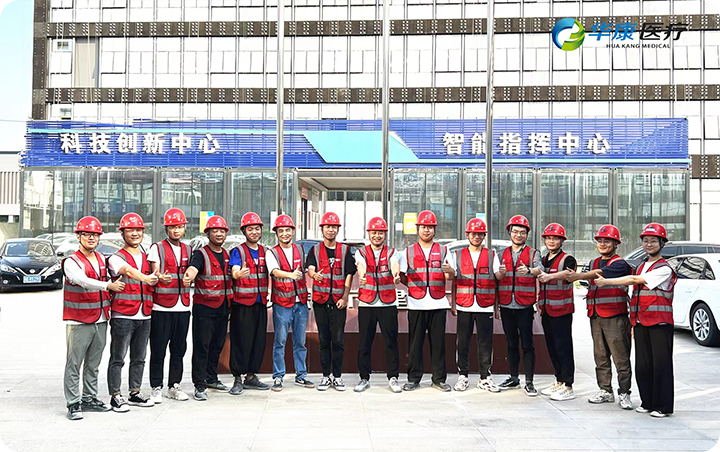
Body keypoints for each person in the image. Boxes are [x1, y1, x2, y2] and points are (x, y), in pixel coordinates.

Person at [595, 223, 677, 418]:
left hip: (660, 323)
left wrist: (606, 281)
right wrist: (633, 323)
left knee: (661, 365)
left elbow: (633, 281)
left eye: (653, 241)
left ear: (662, 243)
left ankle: (663, 406)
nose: (649, 244)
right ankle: (648, 402)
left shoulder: (664, 268)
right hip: (641, 322)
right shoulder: (640, 266)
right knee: (643, 365)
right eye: (645, 241)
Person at [63, 216, 124, 420]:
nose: (91, 238)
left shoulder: (102, 259)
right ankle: (73, 403)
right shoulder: (71, 262)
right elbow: (82, 281)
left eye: (95, 235)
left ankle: (89, 398)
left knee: (93, 363)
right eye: (87, 234)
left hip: (100, 318)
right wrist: (108, 285)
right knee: (74, 363)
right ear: (78, 236)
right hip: (78, 320)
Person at [566, 224, 634, 410]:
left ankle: (624, 392)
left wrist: (578, 275)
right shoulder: (593, 262)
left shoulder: (620, 263)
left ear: (616, 243)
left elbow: (599, 275)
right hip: (596, 315)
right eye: (600, 241)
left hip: (615, 316)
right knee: (600, 356)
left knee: (621, 357)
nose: (603, 244)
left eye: (607, 241)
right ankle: (605, 390)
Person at [106, 213, 159, 412]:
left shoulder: (146, 257)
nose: (135, 233)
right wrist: (146, 278)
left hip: (144, 314)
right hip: (123, 315)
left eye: (138, 230)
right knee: (118, 358)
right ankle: (115, 396)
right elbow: (127, 270)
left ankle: (135, 392)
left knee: (139, 358)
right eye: (130, 230)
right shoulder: (116, 257)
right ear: (123, 233)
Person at [399, 210, 455, 392]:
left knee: (438, 344)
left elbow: (451, 276)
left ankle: (439, 379)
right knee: (415, 344)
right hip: (416, 304)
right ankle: (413, 378)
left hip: (438, 303)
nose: (427, 230)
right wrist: (414, 287)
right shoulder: (408, 251)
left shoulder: (444, 250)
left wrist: (449, 271)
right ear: (418, 229)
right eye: (423, 227)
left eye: (430, 227)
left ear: (434, 230)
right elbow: (402, 275)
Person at [183, 215, 234, 401]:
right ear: (208, 233)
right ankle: (199, 383)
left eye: (222, 231)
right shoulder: (201, 254)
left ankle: (212, 378)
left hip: (223, 308)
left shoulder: (227, 255)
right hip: (204, 308)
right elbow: (193, 269)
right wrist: (189, 276)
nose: (219, 234)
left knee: (217, 346)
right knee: (201, 347)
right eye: (215, 231)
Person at [449, 218, 502, 393]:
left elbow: (497, 279)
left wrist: (496, 307)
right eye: (473, 234)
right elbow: (454, 280)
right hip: (464, 305)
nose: (477, 237)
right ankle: (463, 376)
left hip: (485, 305)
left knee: (485, 343)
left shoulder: (491, 255)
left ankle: (484, 377)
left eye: (480, 234)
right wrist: (453, 303)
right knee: (463, 342)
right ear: (468, 235)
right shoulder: (458, 255)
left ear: (484, 236)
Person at [306, 212, 357, 391]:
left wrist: (345, 297)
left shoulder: (345, 250)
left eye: (334, 227)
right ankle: (325, 376)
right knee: (324, 340)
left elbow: (349, 274)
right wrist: (314, 274)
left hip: (338, 302)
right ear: (322, 229)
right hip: (320, 302)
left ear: (337, 229)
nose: (331, 230)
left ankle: (337, 377)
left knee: (338, 340)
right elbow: (310, 267)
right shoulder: (314, 250)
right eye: (328, 227)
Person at [147, 208, 192, 403]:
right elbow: (154, 271)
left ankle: (174, 385)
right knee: (158, 350)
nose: (176, 230)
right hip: (162, 307)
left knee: (179, 350)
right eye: (173, 227)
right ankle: (156, 386)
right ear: (166, 228)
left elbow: (191, 272)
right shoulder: (157, 248)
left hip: (183, 307)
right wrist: (159, 277)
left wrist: (190, 279)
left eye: (180, 226)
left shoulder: (189, 249)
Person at [266, 214, 314, 391]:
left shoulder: (300, 250)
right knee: (280, 341)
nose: (285, 233)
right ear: (277, 233)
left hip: (300, 303)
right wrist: (291, 275)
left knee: (300, 342)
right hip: (282, 304)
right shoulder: (272, 253)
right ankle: (278, 376)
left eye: (287, 230)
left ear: (293, 231)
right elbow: (274, 271)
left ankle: (301, 375)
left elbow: (307, 268)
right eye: (281, 231)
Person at [496, 215, 543, 396]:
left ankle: (529, 381)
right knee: (511, 343)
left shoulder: (533, 253)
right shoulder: (501, 254)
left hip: (524, 306)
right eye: (515, 231)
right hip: (506, 305)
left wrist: (529, 270)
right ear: (510, 233)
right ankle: (513, 377)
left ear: (527, 235)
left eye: (522, 232)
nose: (518, 235)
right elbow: (496, 277)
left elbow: (540, 269)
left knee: (527, 343)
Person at [353, 217, 402, 393]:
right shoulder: (361, 252)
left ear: (385, 234)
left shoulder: (392, 252)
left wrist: (396, 275)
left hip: (388, 303)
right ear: (369, 233)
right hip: (367, 303)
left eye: (380, 232)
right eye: (374, 232)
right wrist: (362, 275)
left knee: (391, 342)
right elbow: (361, 265)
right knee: (364, 343)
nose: (377, 235)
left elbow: (394, 264)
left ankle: (393, 377)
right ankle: (364, 378)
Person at [228, 212, 271, 395]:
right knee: (241, 341)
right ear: (244, 231)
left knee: (258, 341)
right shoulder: (238, 251)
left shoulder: (266, 251)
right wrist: (238, 274)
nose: (254, 232)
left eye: (257, 229)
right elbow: (234, 270)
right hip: (242, 304)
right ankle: (237, 378)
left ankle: (251, 376)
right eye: (250, 229)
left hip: (260, 303)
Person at [536, 223, 577, 401]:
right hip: (547, 310)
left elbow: (569, 274)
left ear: (562, 241)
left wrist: (550, 276)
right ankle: (559, 380)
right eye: (548, 238)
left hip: (562, 311)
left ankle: (568, 385)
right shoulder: (544, 259)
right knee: (552, 347)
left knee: (563, 347)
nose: (551, 241)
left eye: (555, 238)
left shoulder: (568, 259)